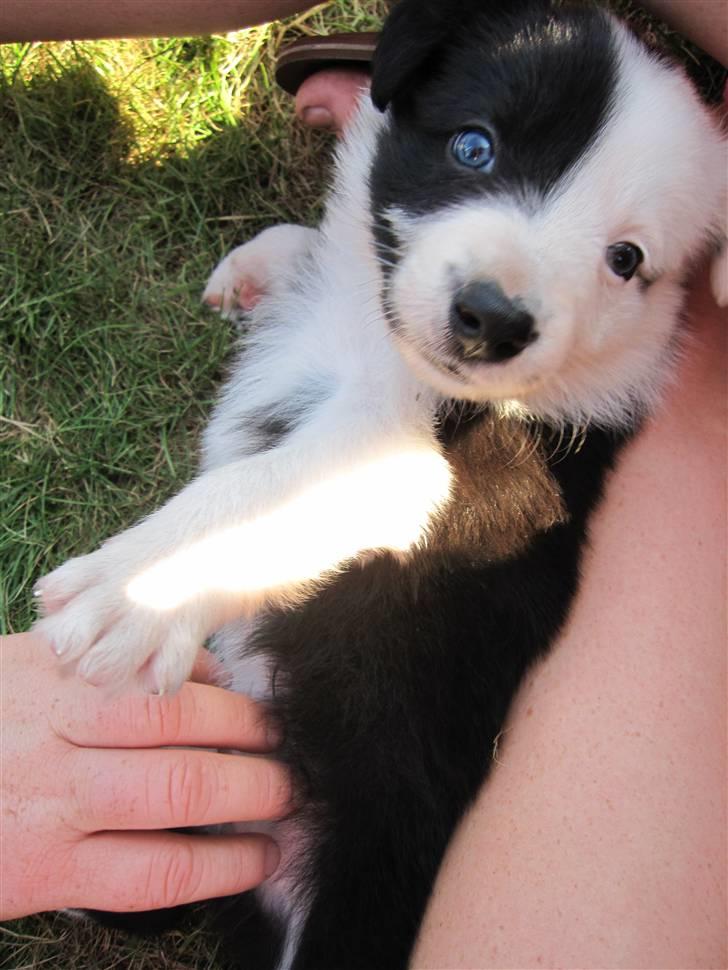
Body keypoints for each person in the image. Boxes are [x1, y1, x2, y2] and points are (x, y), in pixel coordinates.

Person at [1, 2, 725, 966]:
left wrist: (169, 577)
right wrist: (309, 257)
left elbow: (382, 476)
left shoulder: (502, 436)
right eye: (476, 148)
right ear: (407, 83)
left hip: (358, 844)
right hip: (255, 756)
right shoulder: (384, 279)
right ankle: (132, 885)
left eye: (622, 258)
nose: (506, 297)